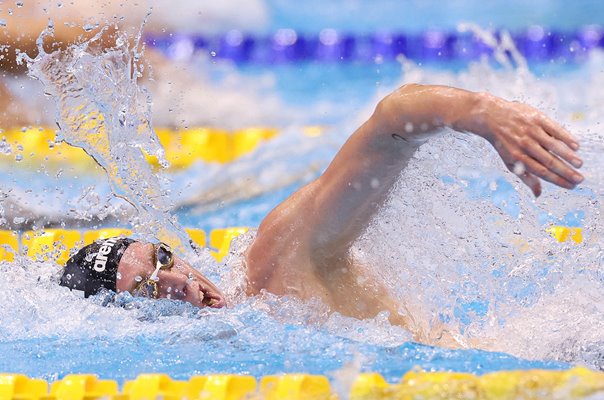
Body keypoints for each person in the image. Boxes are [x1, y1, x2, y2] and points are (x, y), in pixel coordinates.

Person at [59, 84, 584, 342]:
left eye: (165, 258)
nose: (180, 281)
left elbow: (392, 123)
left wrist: (481, 113)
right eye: (151, 290)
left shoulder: (277, 266)